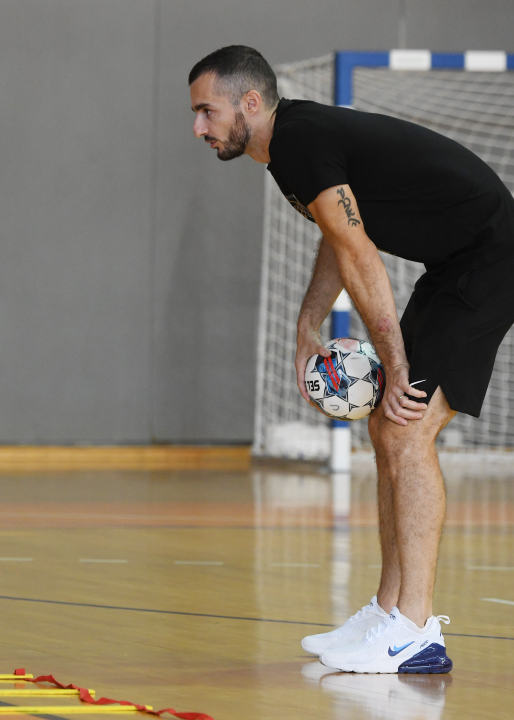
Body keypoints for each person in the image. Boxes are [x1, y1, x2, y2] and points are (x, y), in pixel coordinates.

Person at [189, 45, 514, 674]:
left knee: (408, 425)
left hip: (492, 260)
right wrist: (309, 321)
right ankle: (387, 612)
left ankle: (414, 630)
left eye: (207, 111)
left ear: (249, 104)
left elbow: (363, 256)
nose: (198, 127)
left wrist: (393, 364)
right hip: (457, 265)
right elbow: (340, 239)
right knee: (386, 426)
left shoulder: (300, 142)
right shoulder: (289, 151)